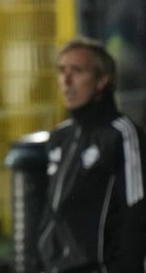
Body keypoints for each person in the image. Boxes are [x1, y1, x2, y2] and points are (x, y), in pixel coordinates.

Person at [37, 37, 146, 272]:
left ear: (101, 81)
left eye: (76, 71)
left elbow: (135, 212)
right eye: (61, 71)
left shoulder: (121, 134)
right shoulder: (60, 137)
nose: (66, 80)